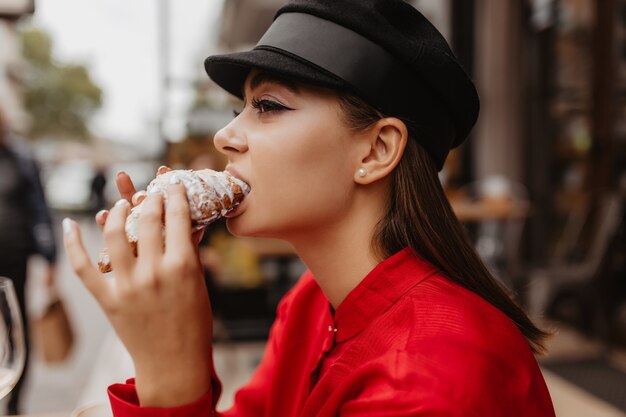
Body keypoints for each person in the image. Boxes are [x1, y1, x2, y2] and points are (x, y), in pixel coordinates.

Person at [62, 1, 556, 416]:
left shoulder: (434, 374)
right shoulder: (313, 303)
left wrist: (170, 373)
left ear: (376, 150)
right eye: (241, 109)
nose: (225, 136)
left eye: (268, 106)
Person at [0, 108, 57, 414]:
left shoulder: (21, 159)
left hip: (13, 259)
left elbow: (39, 209)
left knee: (16, 330)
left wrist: (50, 259)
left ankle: (14, 402)